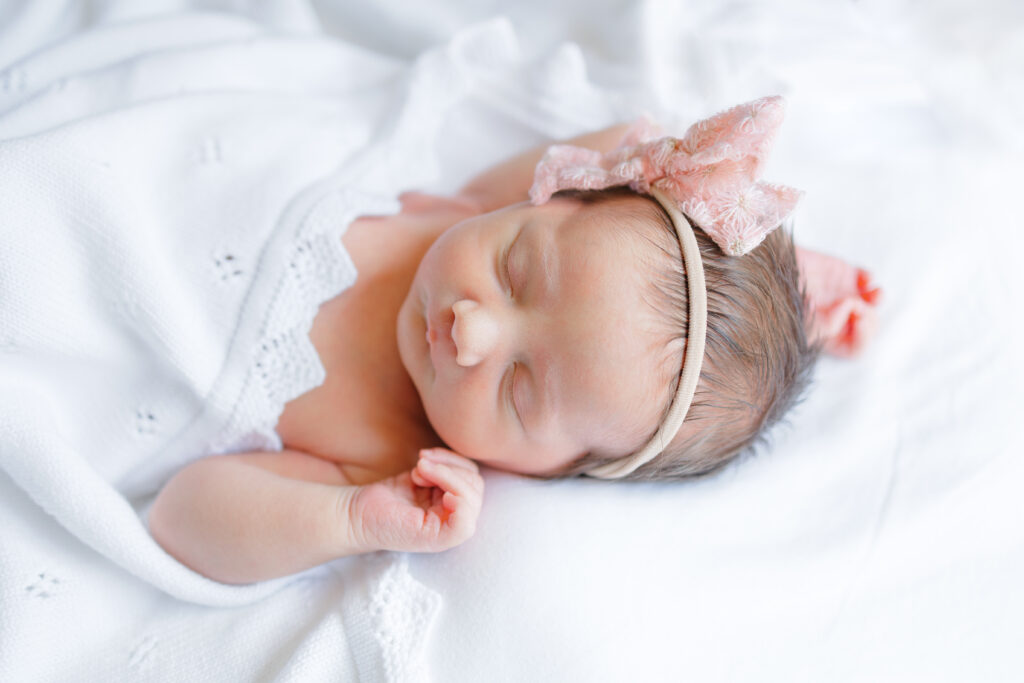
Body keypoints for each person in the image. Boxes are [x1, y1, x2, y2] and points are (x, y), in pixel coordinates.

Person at [149, 96, 880, 584]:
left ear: (550, 471)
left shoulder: (385, 458)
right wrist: (758, 259)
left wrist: (351, 520)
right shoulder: (470, 209)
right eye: (514, 268)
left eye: (518, 388)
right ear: (555, 194)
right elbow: (638, 153)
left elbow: (179, 518)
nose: (470, 328)